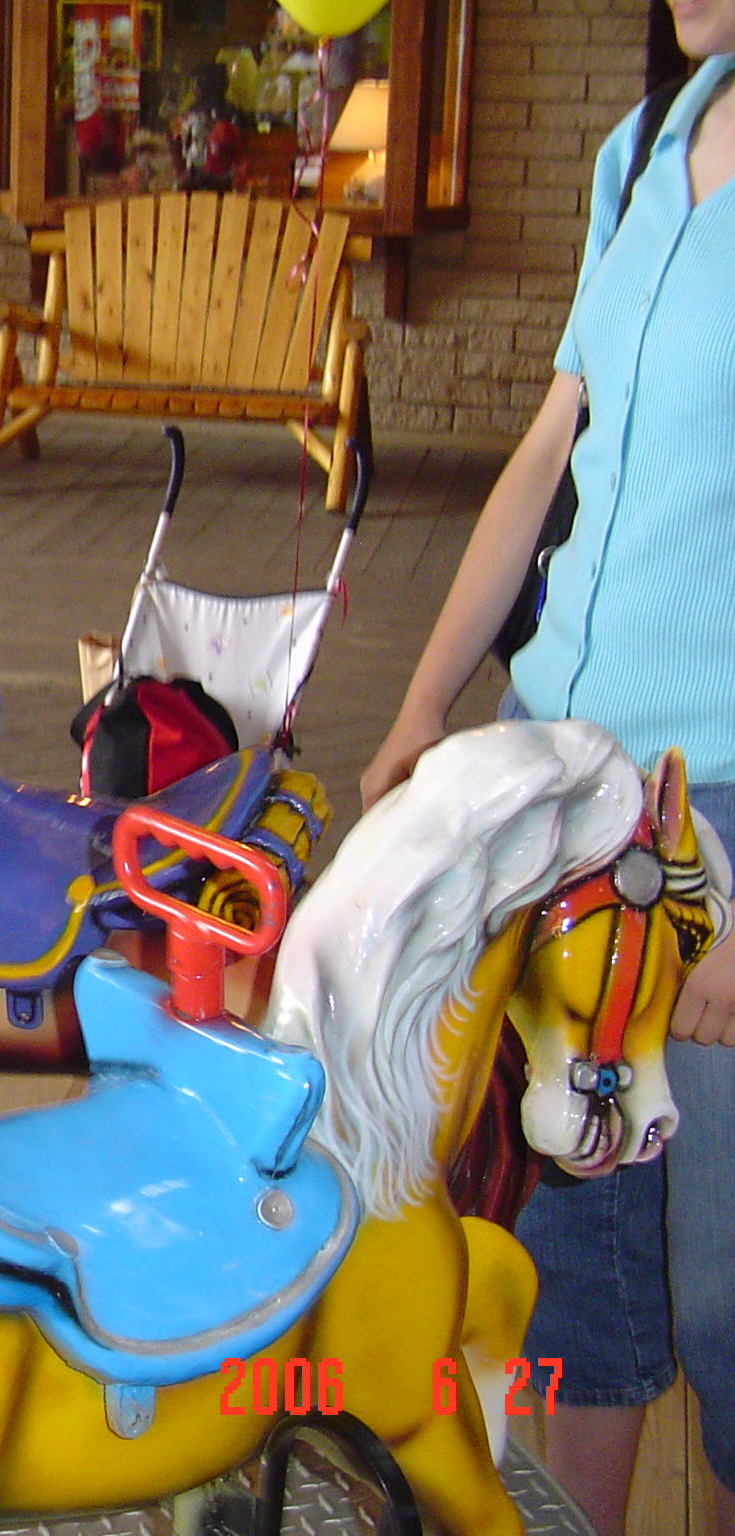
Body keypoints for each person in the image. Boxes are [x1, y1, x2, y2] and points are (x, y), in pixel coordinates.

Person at [360, 11, 735, 1532]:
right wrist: (424, 702)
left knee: (725, 1301)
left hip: (716, 818)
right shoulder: (641, 150)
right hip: (564, 793)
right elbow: (547, 454)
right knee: (574, 1269)